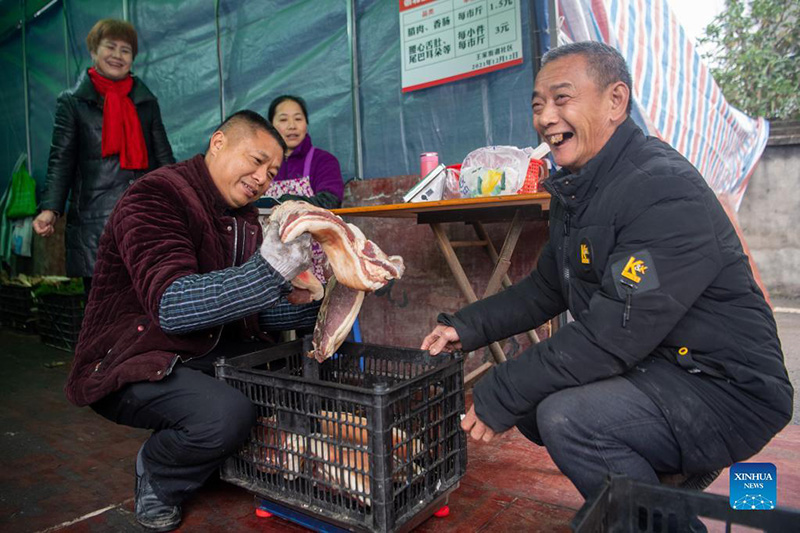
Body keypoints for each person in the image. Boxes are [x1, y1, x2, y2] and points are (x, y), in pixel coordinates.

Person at [421, 42, 793, 502]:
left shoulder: (662, 189)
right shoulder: (578, 190)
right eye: (538, 105)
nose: (545, 117)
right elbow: (545, 288)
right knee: (535, 405)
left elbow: (614, 332)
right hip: (660, 363)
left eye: (562, 98)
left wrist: (504, 387)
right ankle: (652, 489)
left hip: (724, 386)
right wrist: (465, 327)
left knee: (565, 416)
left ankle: (664, 519)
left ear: (616, 101)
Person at [65, 110, 318, 531]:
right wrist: (267, 273)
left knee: (287, 381)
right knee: (226, 416)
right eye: (255, 161)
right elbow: (173, 306)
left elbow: (245, 310)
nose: (262, 177)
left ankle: (214, 455)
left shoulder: (243, 218)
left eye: (272, 172)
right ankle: (158, 472)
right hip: (136, 358)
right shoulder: (155, 196)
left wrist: (320, 302)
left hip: (200, 349)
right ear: (218, 142)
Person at [34, 18, 175, 298]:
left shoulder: (146, 102)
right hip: (93, 219)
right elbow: (61, 159)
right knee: (101, 305)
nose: (117, 55)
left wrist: (179, 200)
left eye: (125, 50)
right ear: (93, 52)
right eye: (110, 47)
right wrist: (50, 208)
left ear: (132, 58)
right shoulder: (72, 103)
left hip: (141, 213)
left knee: (145, 299)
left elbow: (164, 158)